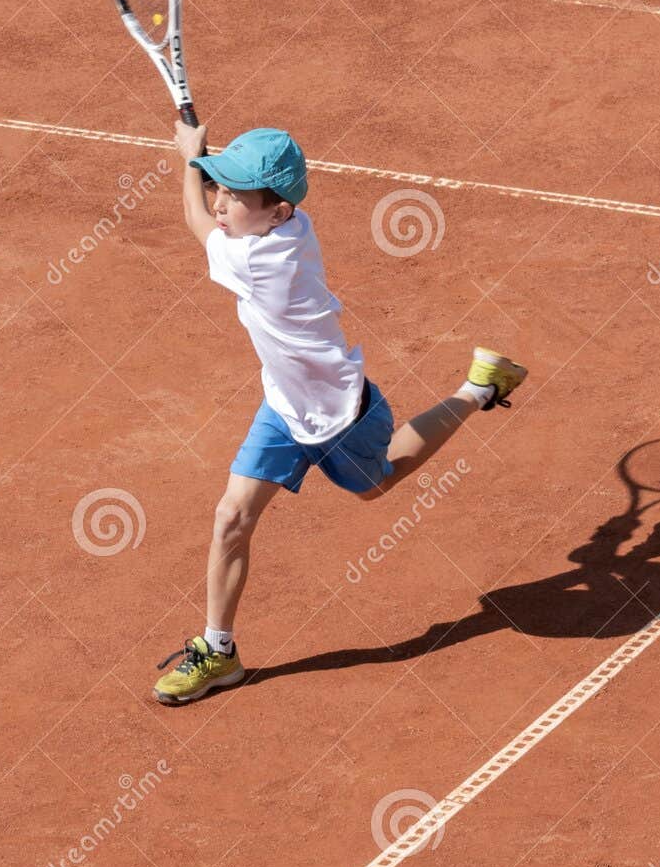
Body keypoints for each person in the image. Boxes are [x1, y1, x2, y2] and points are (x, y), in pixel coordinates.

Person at [153, 122, 526, 705]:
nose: (219, 202)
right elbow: (220, 217)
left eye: (233, 195)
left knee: (377, 485)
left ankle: (478, 389)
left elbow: (197, 224)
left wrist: (189, 161)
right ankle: (218, 651)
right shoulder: (289, 224)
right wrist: (209, 165)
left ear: (276, 212)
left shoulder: (260, 261)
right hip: (282, 406)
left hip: (340, 418)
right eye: (218, 189)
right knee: (231, 517)